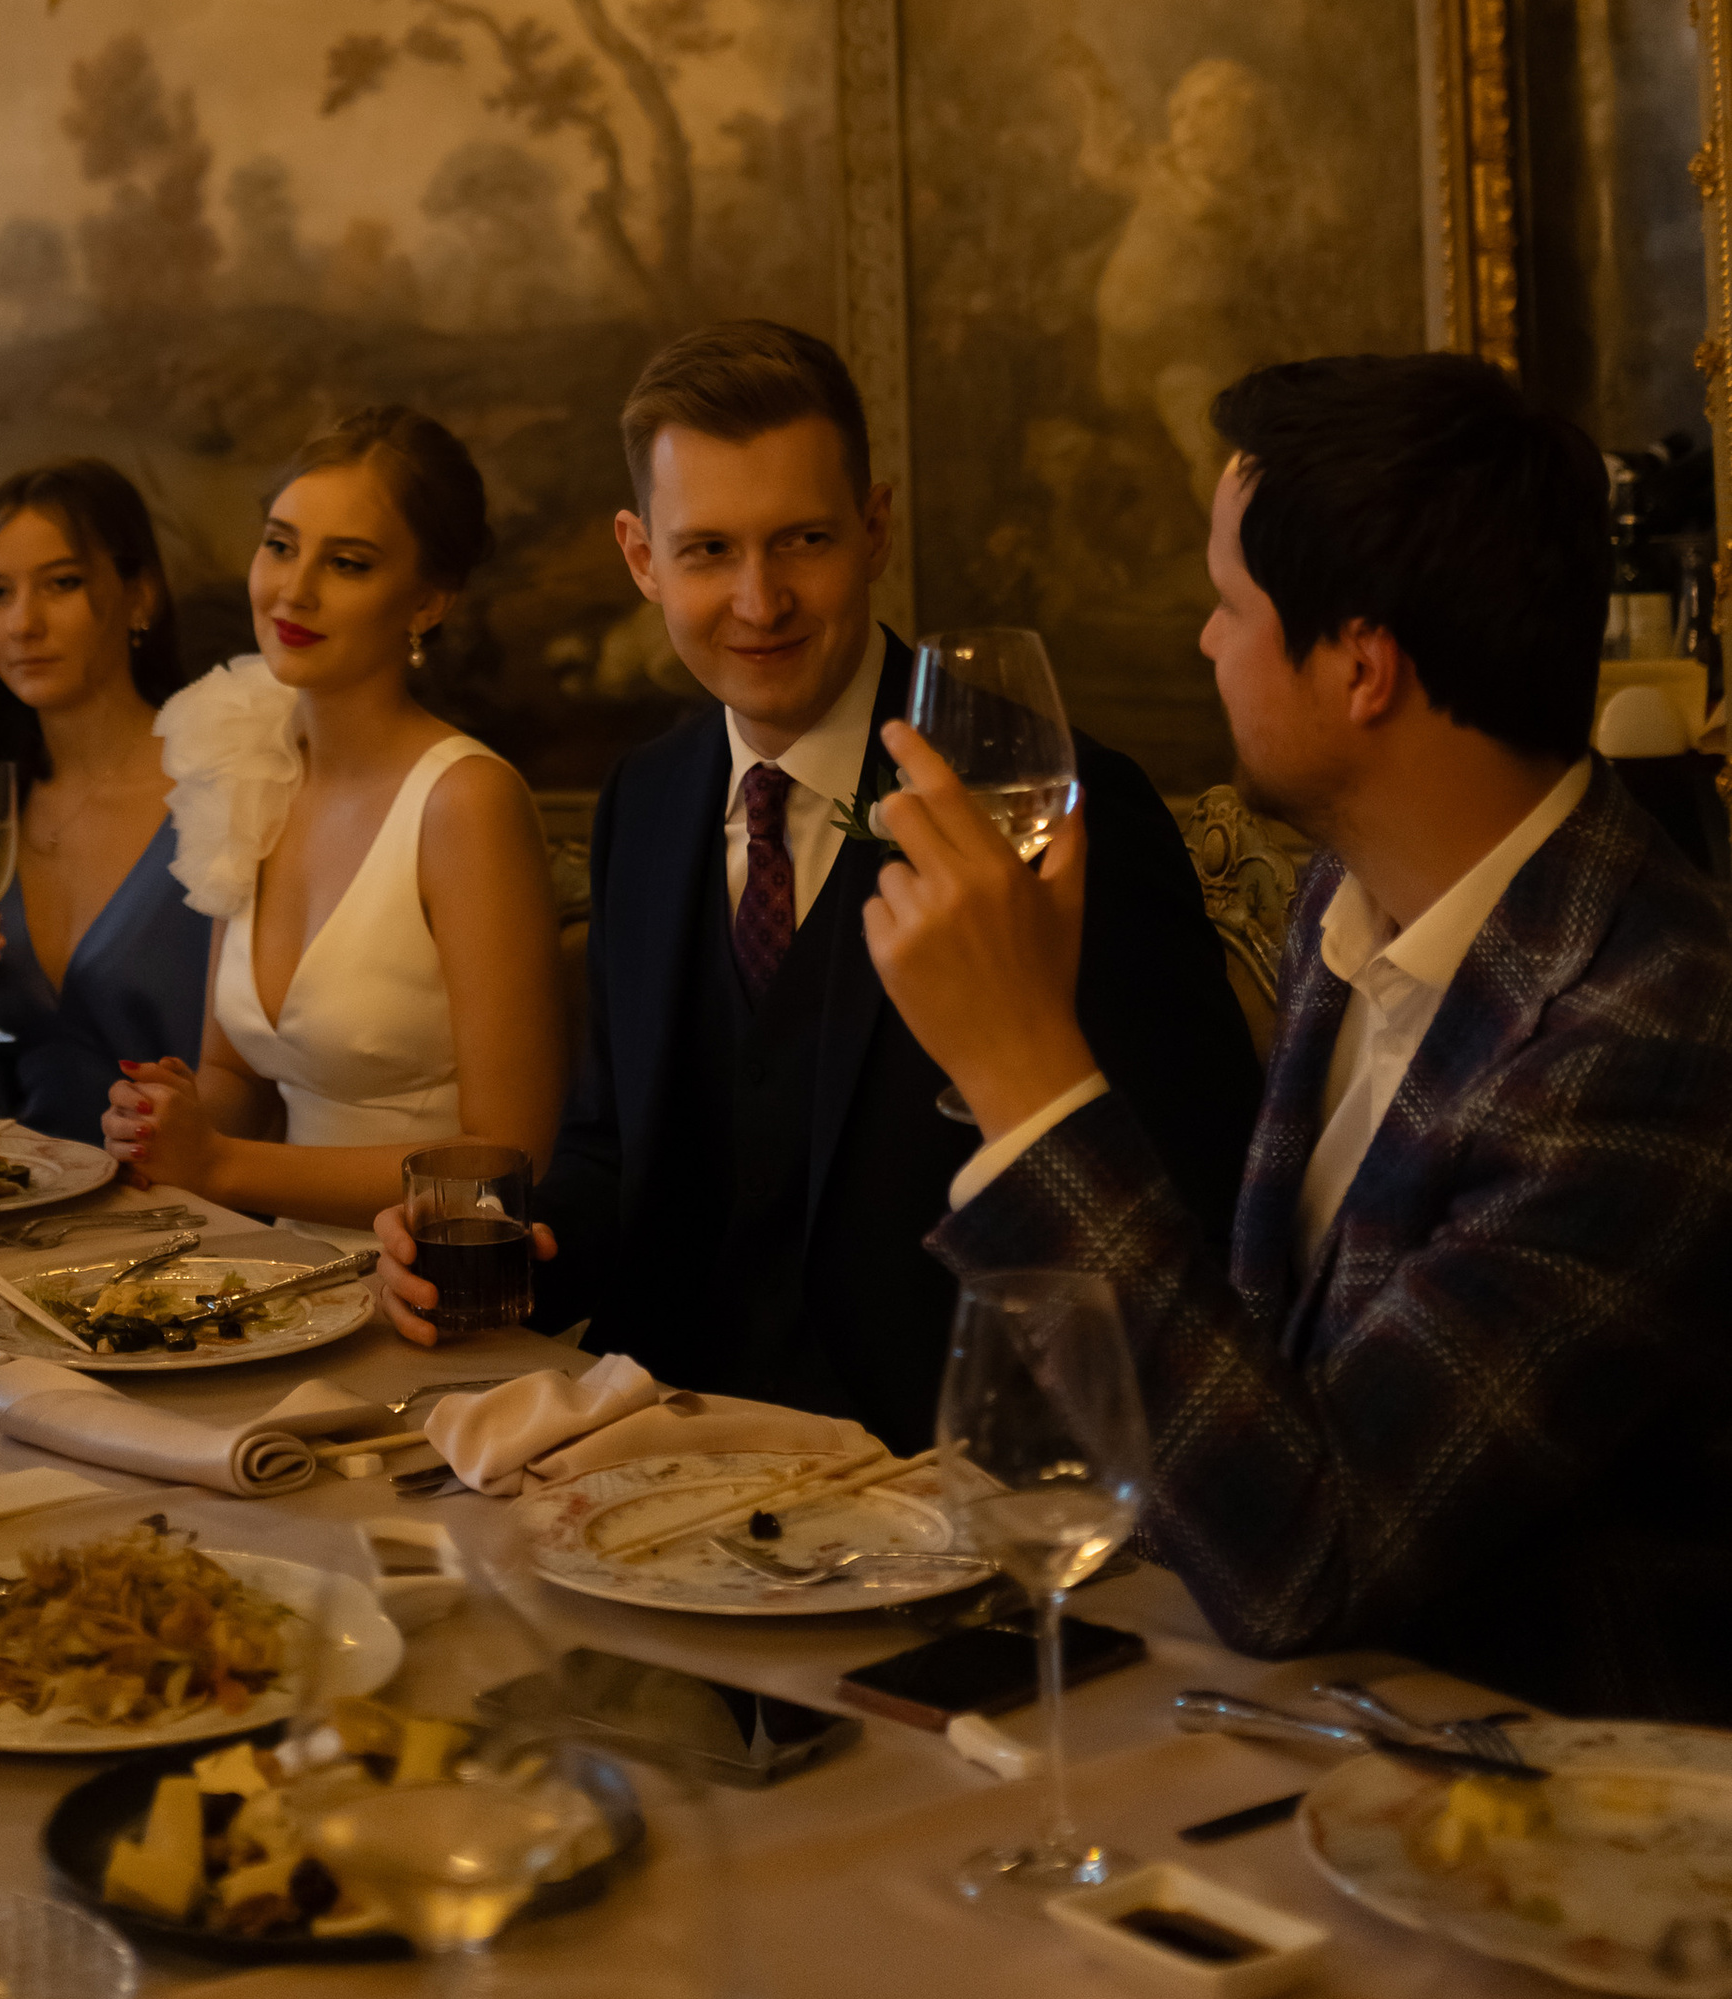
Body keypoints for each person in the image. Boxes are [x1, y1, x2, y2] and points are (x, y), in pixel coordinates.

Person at [868, 352, 1732, 1717]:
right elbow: (1249, 1397)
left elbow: (1313, 1554)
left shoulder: (1655, 1036)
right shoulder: (1347, 901)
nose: (1204, 644)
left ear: (1362, 667)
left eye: (1228, 606)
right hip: (1299, 1736)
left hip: (1557, 1826)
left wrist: (1023, 1067)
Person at [375, 321, 1260, 1448]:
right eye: (707, 552)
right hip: (661, 1468)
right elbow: (611, 1154)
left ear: (874, 528)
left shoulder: (1045, 796)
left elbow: (1191, 1197)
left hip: (950, 1475)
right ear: (640, 558)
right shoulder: (643, 801)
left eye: (800, 541)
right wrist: (514, 1258)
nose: (759, 600)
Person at [100, 406, 565, 1224]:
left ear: (427, 602)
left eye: (348, 564)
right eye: (280, 545)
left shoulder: (465, 801)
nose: (294, 588)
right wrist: (166, 1121)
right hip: (277, 1285)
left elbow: (506, 1160)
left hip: (431, 1289)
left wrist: (220, 1165)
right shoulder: (248, 757)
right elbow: (236, 1076)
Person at [0, 461, 207, 1143]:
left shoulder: (214, 788)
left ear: (141, 597)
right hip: (28, 1207)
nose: (22, 623)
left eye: (62, 585)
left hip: (201, 1209)